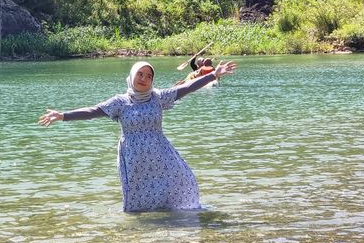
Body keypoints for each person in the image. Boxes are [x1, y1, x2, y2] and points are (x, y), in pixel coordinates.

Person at [39, 59, 237, 212]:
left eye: (148, 76)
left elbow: (186, 88)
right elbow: (93, 111)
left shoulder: (158, 97)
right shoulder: (120, 102)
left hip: (160, 151)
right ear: (132, 76)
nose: (143, 79)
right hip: (133, 155)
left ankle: (173, 214)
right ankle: (138, 228)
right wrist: (63, 116)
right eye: (140, 74)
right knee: (137, 194)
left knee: (182, 179)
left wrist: (214, 75)